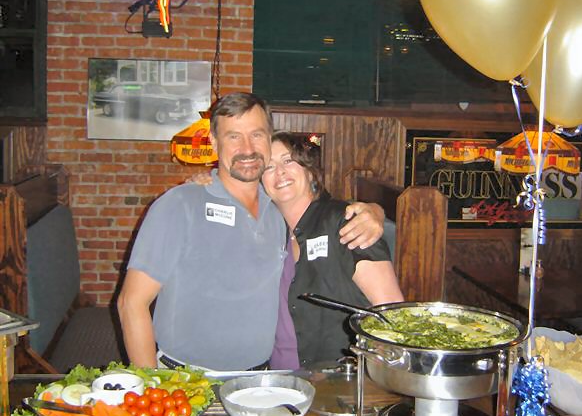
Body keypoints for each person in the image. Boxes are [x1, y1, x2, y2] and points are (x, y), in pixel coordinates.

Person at [117, 92, 384, 371]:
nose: (247, 148)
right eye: (233, 136)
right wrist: (151, 385)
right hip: (185, 377)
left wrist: (375, 211)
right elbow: (131, 303)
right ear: (214, 142)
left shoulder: (278, 211)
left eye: (256, 135)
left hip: (259, 378)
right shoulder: (180, 204)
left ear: (268, 138)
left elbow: (324, 209)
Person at [262, 131, 404, 368]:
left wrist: (374, 377)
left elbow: (390, 311)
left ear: (309, 171)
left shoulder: (346, 221)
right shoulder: (271, 231)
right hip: (282, 374)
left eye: (288, 160)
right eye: (268, 166)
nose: (280, 172)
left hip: (338, 377)